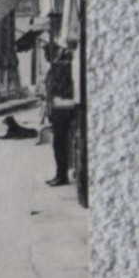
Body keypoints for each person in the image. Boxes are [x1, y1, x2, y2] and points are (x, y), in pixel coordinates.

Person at [46, 48, 75, 186]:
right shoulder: (58, 67)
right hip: (59, 110)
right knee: (59, 145)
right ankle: (60, 175)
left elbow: (61, 89)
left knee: (60, 144)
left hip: (63, 110)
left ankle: (61, 176)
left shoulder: (63, 68)